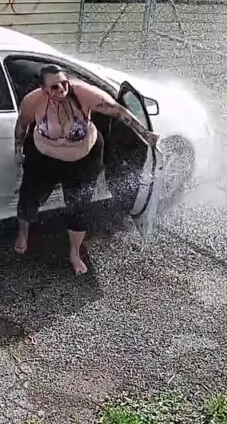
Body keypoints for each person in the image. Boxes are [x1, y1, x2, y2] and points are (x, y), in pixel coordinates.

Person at [13, 65, 158, 275]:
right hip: (43, 159)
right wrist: (17, 150)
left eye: (64, 83)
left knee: (79, 207)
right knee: (28, 197)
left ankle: (74, 253)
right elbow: (21, 126)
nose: (62, 89)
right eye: (54, 87)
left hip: (82, 161)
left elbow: (118, 110)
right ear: (43, 89)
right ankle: (23, 233)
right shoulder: (32, 101)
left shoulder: (83, 94)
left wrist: (145, 133)